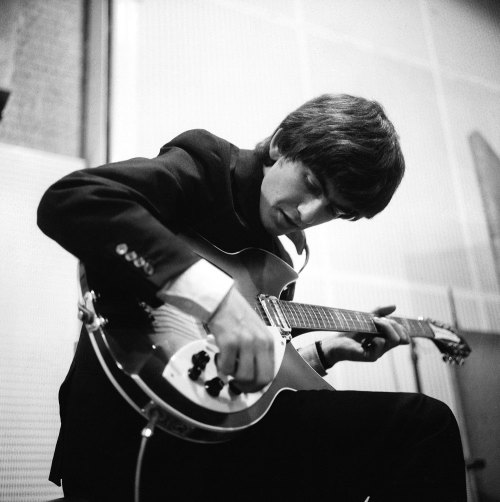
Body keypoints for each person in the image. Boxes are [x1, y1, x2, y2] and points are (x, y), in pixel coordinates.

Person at [37, 94, 466, 501]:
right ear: (281, 144)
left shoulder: (280, 260)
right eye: (312, 183)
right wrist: (219, 302)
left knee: (383, 435)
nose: (307, 214)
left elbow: (231, 377)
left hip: (216, 440)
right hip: (123, 426)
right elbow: (74, 199)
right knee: (425, 424)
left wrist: (322, 353)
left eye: (333, 210)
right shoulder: (207, 165)